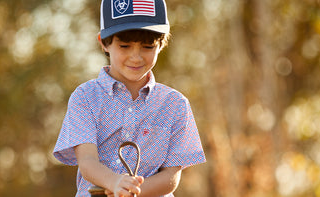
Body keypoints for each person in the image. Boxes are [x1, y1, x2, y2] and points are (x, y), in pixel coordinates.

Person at [53, 0, 207, 196]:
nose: (136, 57)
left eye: (147, 46)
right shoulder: (85, 97)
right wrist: (114, 182)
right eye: (124, 46)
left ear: (161, 44)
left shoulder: (176, 105)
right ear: (103, 43)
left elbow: (171, 176)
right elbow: (87, 161)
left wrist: (133, 191)